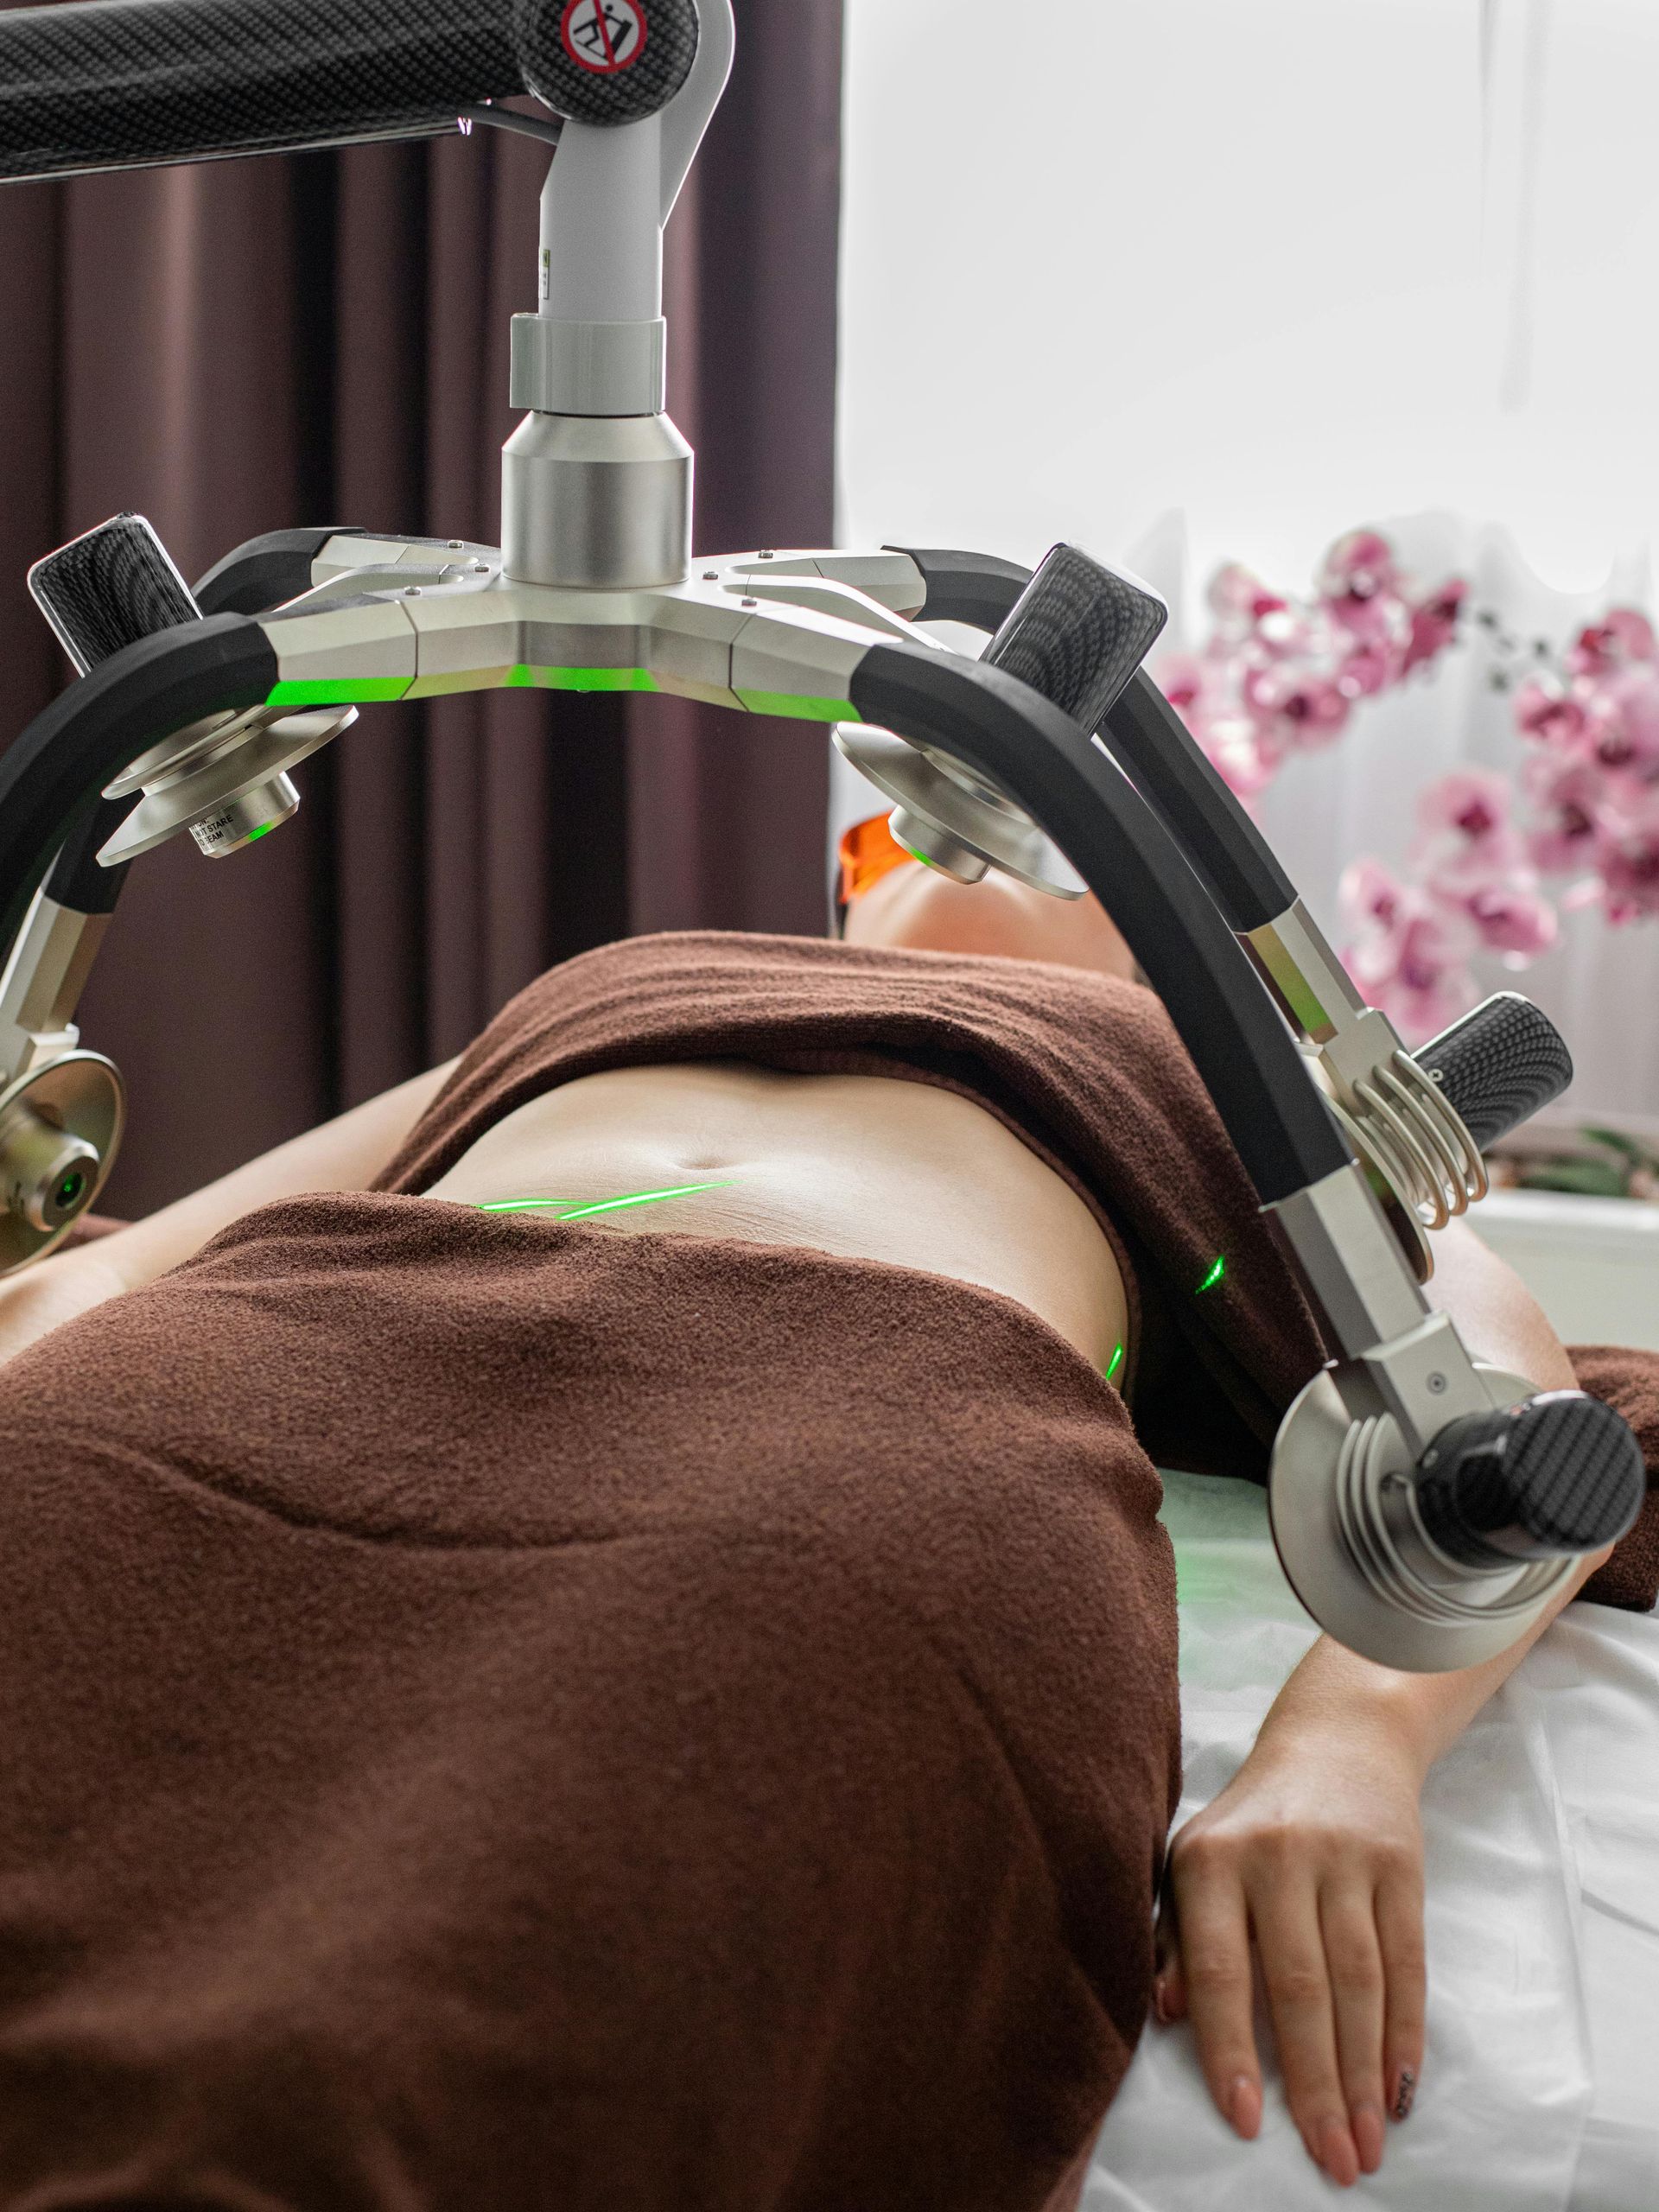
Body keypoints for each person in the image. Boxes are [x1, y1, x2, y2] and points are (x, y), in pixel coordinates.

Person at [0, 813, 1649, 2208]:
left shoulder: (1222, 1072)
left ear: (1171, 943)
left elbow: (1506, 1418)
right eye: (884, 829)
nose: (930, 844)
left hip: (837, 1444)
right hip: (262, 1363)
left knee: (440, 2035)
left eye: (1066, 852)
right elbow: (136, 1266)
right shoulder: (625, 976)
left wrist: (1350, 1746)